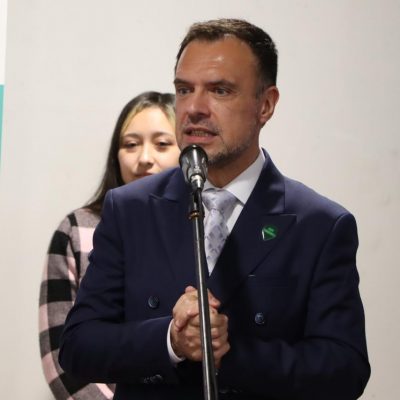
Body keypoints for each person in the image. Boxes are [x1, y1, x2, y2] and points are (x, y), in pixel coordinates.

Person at [59, 19, 371, 400]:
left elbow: (345, 370)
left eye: (220, 90)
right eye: (184, 90)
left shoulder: (320, 225)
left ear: (266, 105)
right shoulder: (130, 209)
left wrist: (229, 353)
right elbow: (78, 346)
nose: (193, 108)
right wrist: (170, 339)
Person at [39, 91, 180, 400]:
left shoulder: (197, 229)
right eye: (130, 144)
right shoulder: (77, 229)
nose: (145, 158)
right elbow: (59, 354)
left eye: (162, 144)